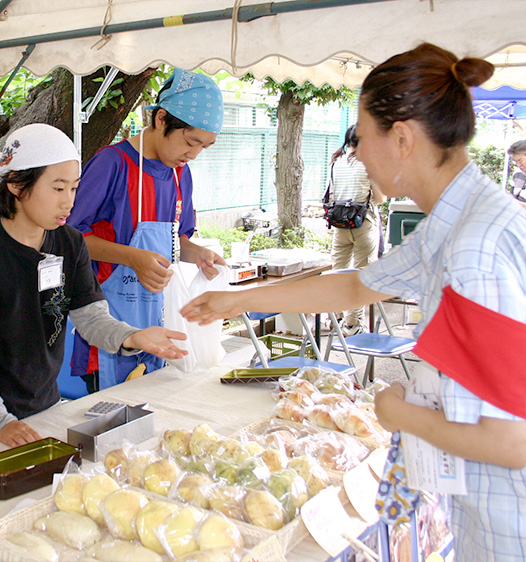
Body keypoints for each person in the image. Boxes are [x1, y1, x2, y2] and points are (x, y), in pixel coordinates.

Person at [181, 43, 526, 561]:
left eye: (364, 137)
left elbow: (509, 441)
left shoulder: (474, 246)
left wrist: (397, 411)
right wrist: (239, 300)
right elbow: (355, 286)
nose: (359, 153)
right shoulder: (457, 223)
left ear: (403, 139)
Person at [0, 124, 189, 447]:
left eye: (74, 189)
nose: (69, 202)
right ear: (17, 185)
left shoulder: (70, 242)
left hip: (45, 409)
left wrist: (131, 336)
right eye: (58, 189)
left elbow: (90, 318)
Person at [67, 68, 226, 390]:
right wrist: (132, 257)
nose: (193, 154)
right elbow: (69, 238)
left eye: (204, 147)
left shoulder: (181, 174)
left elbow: (176, 240)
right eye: (191, 141)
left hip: (160, 320)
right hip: (108, 322)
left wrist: (200, 256)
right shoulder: (113, 163)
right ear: (162, 119)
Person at [325, 124, 385, 335]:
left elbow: (331, 193)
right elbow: (381, 198)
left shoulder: (335, 162)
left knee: (337, 273)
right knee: (361, 275)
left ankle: (335, 318)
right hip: (363, 224)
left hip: (339, 224)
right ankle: (352, 324)